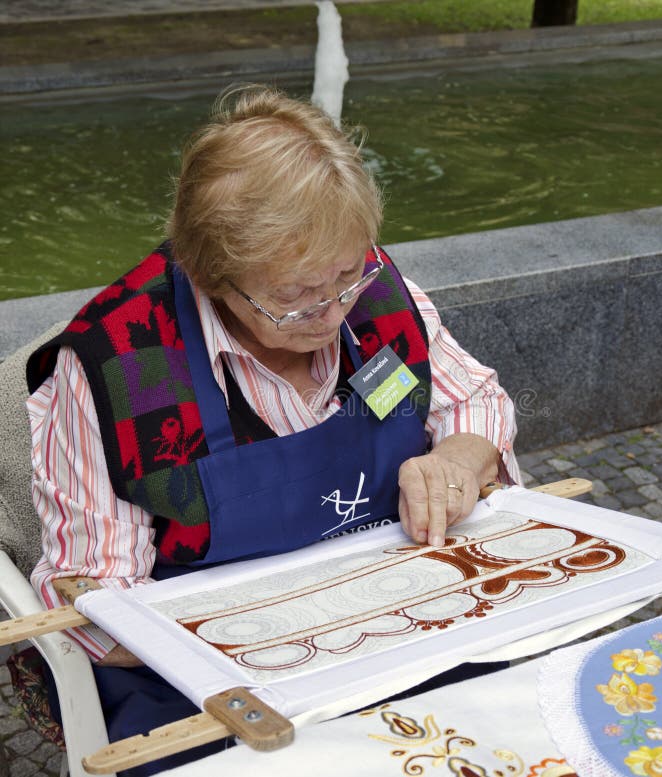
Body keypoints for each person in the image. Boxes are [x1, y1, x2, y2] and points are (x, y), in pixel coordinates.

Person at [26, 86, 520, 774]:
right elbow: (99, 602)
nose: (330, 312)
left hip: (391, 634)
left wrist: (459, 465)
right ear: (210, 276)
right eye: (292, 295)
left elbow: (477, 403)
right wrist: (285, 626)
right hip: (203, 681)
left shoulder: (369, 295)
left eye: (346, 275)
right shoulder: (117, 366)